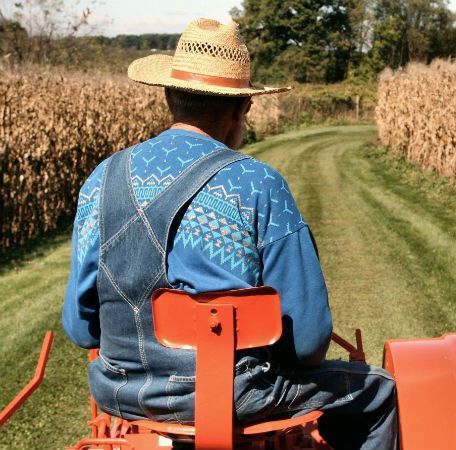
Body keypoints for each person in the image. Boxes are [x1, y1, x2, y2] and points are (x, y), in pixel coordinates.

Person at [61, 18, 397, 450]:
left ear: (169, 97)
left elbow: (81, 328)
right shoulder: (258, 185)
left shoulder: (101, 180)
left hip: (120, 392)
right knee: (380, 391)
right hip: (234, 396)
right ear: (242, 109)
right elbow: (309, 342)